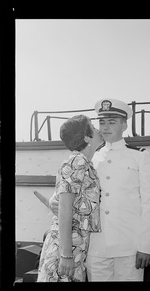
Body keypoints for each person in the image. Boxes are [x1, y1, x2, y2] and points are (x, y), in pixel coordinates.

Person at [50, 98, 150, 281]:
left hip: (129, 246)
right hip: (96, 247)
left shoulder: (140, 156)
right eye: (101, 122)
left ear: (124, 125)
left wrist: (145, 246)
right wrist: (53, 202)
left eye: (112, 122)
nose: (105, 127)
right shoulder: (90, 157)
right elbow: (63, 194)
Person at [37, 115, 104, 282]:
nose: (98, 130)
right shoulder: (77, 161)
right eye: (93, 128)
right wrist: (66, 254)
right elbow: (65, 208)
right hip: (67, 248)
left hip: (75, 246)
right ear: (87, 137)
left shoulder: (84, 162)